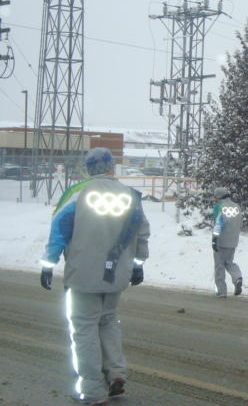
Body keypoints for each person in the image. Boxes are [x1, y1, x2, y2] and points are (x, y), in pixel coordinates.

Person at [39, 147, 150, 405]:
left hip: (83, 275)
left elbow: (59, 231)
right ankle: (115, 374)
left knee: (84, 329)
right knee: (108, 320)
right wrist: (137, 264)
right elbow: (141, 232)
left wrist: (48, 263)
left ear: (89, 169)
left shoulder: (77, 193)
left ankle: (92, 391)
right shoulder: (130, 195)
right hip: (116, 275)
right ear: (112, 166)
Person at [211, 186, 243, 298]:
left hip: (221, 240)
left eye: (215, 197)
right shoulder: (236, 206)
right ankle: (237, 278)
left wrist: (214, 239)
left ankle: (221, 291)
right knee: (229, 262)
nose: (215, 199)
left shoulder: (219, 206)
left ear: (219, 197)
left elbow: (217, 224)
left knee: (219, 265)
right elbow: (240, 223)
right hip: (233, 240)